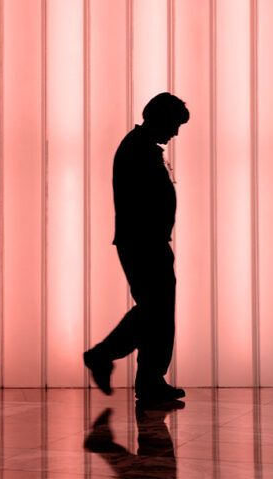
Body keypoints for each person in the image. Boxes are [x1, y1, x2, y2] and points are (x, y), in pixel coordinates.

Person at [83, 92, 189, 402]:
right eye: (174, 124)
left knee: (156, 310)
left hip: (147, 241)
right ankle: (108, 357)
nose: (175, 132)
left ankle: (149, 379)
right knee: (156, 309)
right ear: (159, 118)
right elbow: (143, 200)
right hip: (144, 242)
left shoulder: (141, 147)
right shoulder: (138, 149)